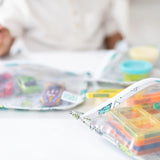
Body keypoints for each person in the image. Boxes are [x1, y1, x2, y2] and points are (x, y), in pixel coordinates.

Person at [0, 0, 123, 57]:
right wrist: (4, 41)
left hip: (95, 69)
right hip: (45, 71)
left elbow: (112, 33)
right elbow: (8, 31)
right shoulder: (20, 3)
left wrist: (122, 55)